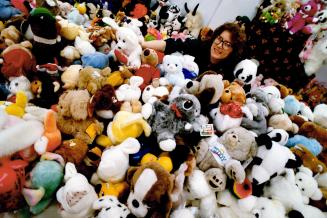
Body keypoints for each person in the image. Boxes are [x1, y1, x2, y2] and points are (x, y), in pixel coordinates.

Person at [141, 22, 246, 81]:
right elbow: (169, 44)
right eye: (219, 39)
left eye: (227, 44)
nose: (219, 45)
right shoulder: (199, 46)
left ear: (233, 50)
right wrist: (143, 44)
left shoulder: (230, 71)